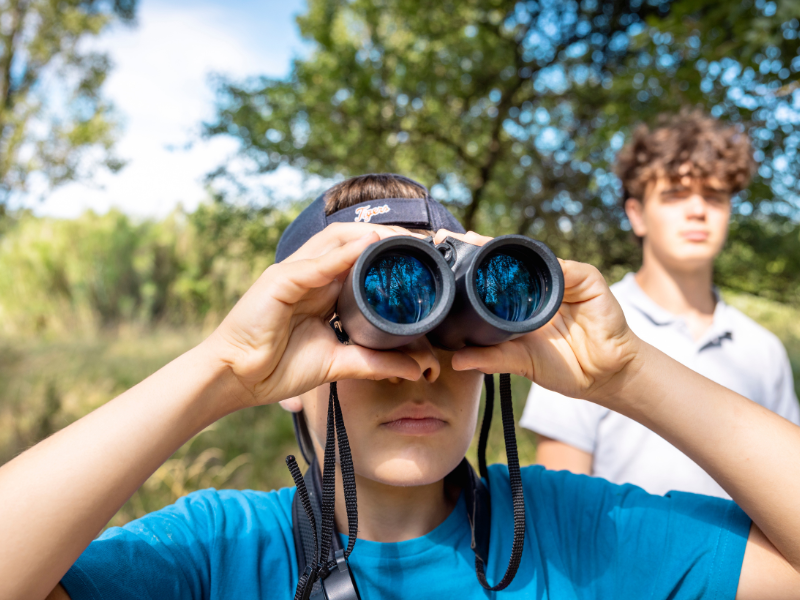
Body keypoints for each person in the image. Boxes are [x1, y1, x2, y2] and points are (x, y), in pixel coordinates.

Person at [2, 173, 800, 600]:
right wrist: (222, 371)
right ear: (289, 357)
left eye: (447, 319)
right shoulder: (219, 552)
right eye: (371, 321)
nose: (421, 363)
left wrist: (626, 374)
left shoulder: (576, 535)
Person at [521, 111, 800, 498]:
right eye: (675, 195)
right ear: (636, 214)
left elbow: (788, 491)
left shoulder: (764, 350)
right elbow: (561, 507)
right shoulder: (579, 328)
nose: (698, 210)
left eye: (715, 196)